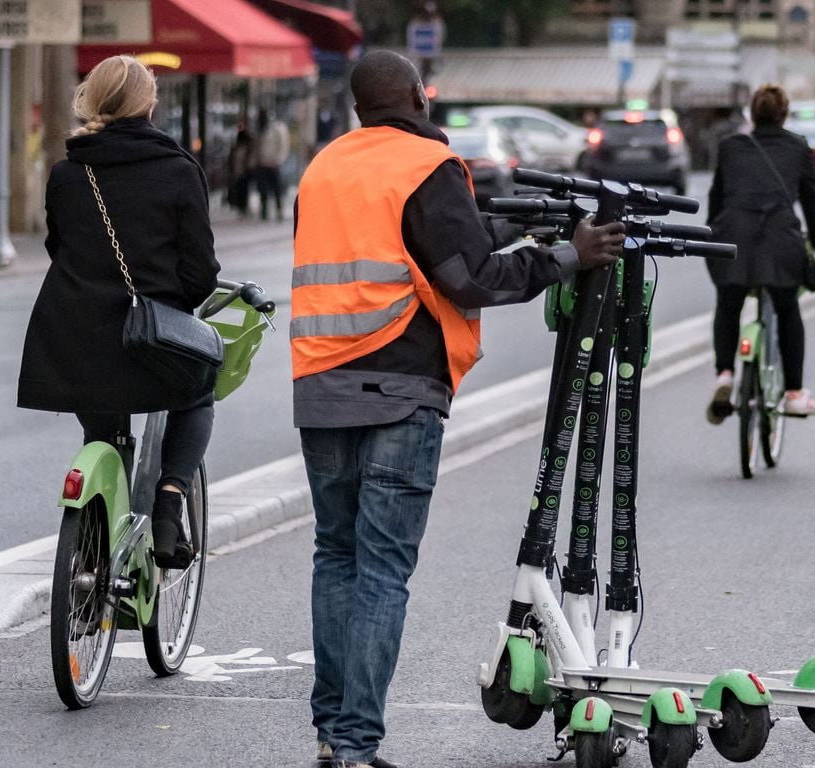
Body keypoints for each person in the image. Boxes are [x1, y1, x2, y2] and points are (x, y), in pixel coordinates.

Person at [292, 50, 624, 768]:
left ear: (356, 107)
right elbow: (471, 279)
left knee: (336, 559)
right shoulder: (424, 167)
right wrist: (569, 256)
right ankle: (354, 744)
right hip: (400, 389)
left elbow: (409, 252)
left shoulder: (322, 169)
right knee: (381, 570)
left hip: (318, 384)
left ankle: (330, 732)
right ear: (417, 95)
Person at [17, 55, 219, 569]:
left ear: (93, 99)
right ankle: (171, 498)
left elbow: (59, 249)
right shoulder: (178, 170)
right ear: (148, 103)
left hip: (72, 337)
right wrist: (169, 306)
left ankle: (92, 546)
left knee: (103, 430)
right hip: (149, 342)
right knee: (197, 392)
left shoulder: (67, 173)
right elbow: (200, 273)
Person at [704, 84, 815, 423]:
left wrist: (712, 235)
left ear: (752, 114)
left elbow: (716, 198)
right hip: (779, 241)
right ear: (784, 114)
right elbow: (812, 201)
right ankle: (793, 394)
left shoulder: (730, 147)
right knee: (788, 309)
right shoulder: (798, 147)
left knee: (728, 304)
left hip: (731, 240)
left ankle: (725, 375)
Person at [254, 107, 290, 221]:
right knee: (263, 189)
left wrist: (278, 160)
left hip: (274, 164)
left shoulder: (276, 129)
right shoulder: (260, 130)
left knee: (276, 189)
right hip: (262, 163)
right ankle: (264, 212)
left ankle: (279, 211)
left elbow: (283, 145)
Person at [227, 124, 255, 217]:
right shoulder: (240, 148)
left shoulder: (243, 148)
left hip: (243, 172)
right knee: (241, 190)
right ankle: (241, 206)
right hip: (240, 171)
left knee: (243, 190)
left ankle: (243, 207)